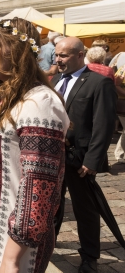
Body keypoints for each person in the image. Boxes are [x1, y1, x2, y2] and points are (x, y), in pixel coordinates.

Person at [0, 18, 70, 273]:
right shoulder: (5, 99)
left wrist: (11, 258)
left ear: (16, 50)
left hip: (13, 249)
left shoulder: (39, 103)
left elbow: (39, 189)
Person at [53, 37, 117, 273]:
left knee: (85, 210)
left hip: (80, 161)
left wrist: (92, 161)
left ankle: (89, 256)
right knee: (53, 204)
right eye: (57, 55)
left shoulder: (98, 83)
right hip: (55, 157)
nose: (58, 60)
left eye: (64, 55)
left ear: (80, 55)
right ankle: (50, 242)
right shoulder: (55, 80)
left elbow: (104, 124)